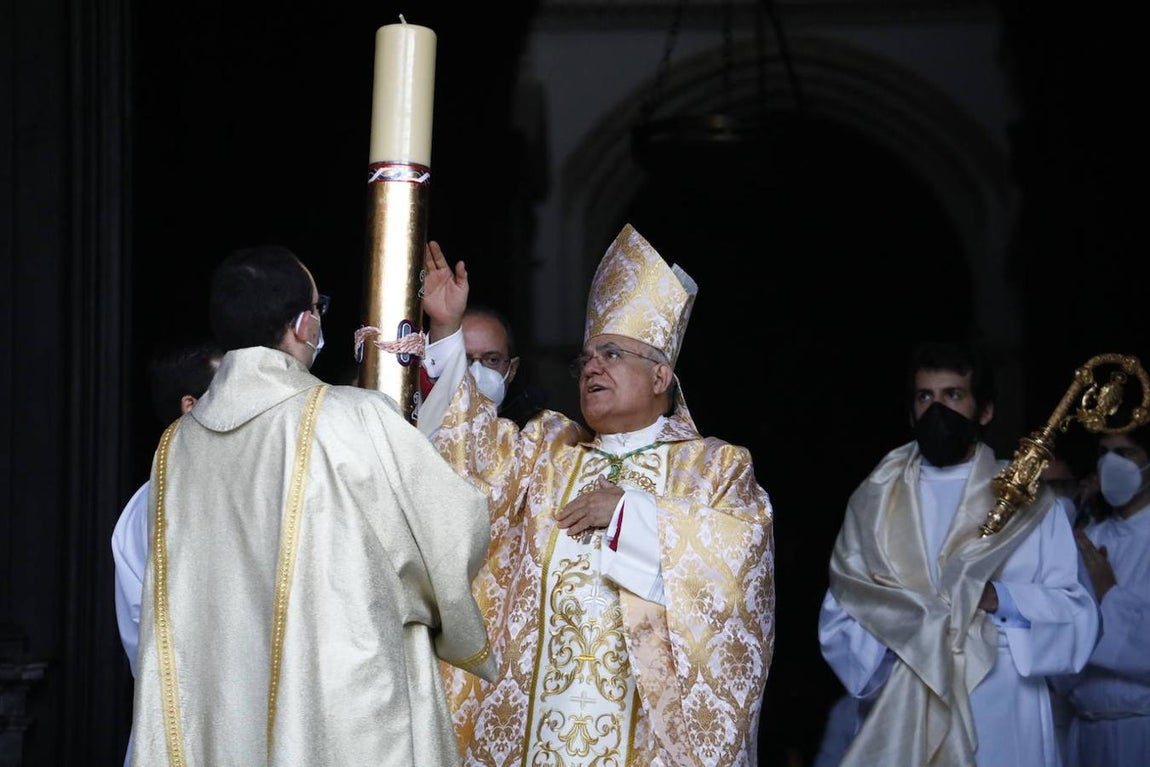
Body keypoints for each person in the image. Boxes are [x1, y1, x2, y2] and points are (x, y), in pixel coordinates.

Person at [415, 224, 776, 766]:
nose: (592, 368)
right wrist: (445, 329)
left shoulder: (715, 466)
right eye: (585, 359)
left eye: (611, 353)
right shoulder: (547, 448)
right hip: (538, 730)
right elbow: (469, 460)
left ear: (661, 377)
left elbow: (738, 564)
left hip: (646, 734)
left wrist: (631, 512)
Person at [129, 244, 496, 766]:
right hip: (340, 701)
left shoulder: (176, 448)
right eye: (318, 309)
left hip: (221, 713)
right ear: (305, 324)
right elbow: (450, 530)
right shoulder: (352, 418)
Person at [818, 340, 1098, 767]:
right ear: (911, 411)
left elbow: (1077, 611)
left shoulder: (1030, 505)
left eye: (953, 395)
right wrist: (908, 633)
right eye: (925, 397)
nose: (937, 410)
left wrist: (999, 598)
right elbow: (844, 607)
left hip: (1002, 705)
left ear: (984, 410)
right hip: (903, 692)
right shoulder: (874, 503)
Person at [112, 338, 222, 767]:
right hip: (187, 725)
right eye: (228, 386)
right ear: (190, 406)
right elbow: (149, 643)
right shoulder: (147, 509)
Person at [1055, 415, 1150, 767]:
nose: (1112, 464)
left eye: (1125, 453)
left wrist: (1108, 594)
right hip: (1087, 728)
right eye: (1104, 452)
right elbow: (1062, 650)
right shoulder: (1089, 538)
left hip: (1141, 729)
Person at [419, 303, 547, 427]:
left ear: (512, 369)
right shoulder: (415, 434)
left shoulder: (534, 442)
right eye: (464, 359)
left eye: (492, 360)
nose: (476, 375)